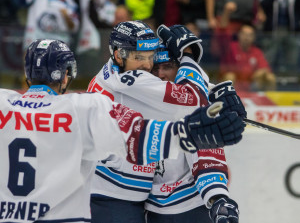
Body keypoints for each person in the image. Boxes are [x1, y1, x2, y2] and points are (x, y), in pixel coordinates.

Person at [0, 39, 244, 223]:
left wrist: (211, 90)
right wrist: (190, 132)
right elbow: (140, 137)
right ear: (66, 75)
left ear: (26, 73)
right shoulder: (82, 109)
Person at [87, 21, 246, 223]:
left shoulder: (120, 75)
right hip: (114, 197)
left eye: (150, 57)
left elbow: (169, 92)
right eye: (139, 57)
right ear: (119, 55)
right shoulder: (131, 81)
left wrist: (215, 92)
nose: (148, 67)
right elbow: (192, 98)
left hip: (139, 198)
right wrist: (189, 56)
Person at [219, 24, 276, 91]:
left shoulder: (257, 51)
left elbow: (265, 68)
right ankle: (227, 100)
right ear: (239, 35)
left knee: (270, 77)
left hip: (251, 83)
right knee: (230, 76)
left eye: (250, 35)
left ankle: (268, 100)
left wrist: (260, 73)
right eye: (244, 34)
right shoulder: (230, 48)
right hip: (235, 81)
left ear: (254, 37)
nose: (246, 37)